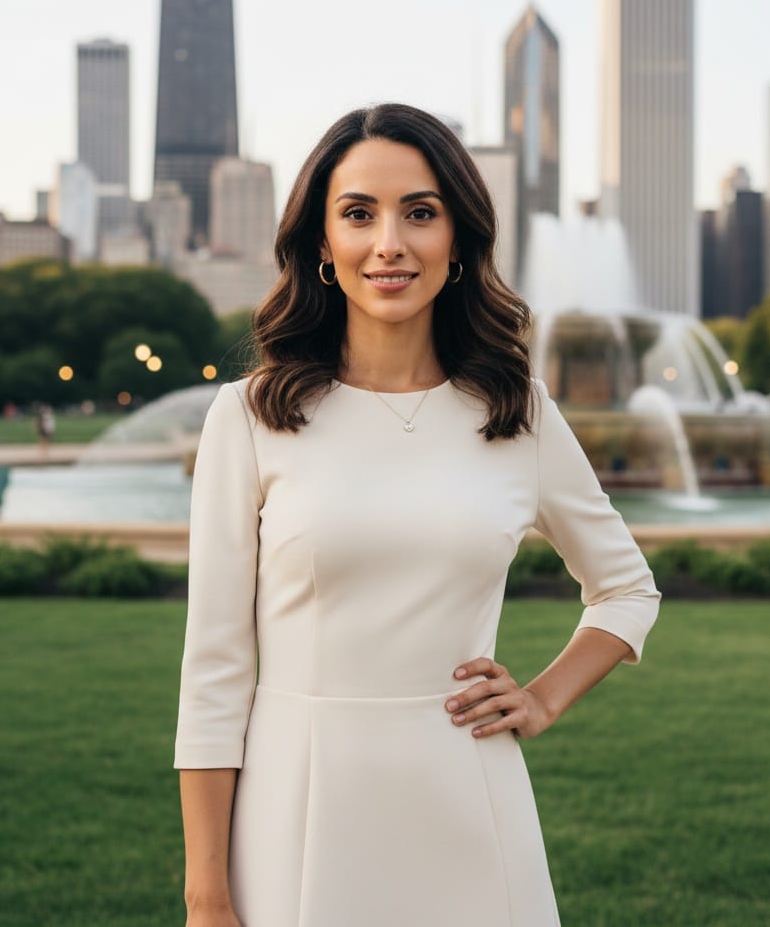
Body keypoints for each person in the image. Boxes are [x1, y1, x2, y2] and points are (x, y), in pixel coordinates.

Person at [174, 103, 660, 927]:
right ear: (322, 245)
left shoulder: (520, 413)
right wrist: (206, 894)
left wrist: (541, 699)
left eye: (421, 213)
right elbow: (215, 675)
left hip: (472, 802)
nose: (389, 242)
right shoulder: (251, 416)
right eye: (359, 213)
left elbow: (626, 589)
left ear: (459, 241)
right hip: (298, 810)